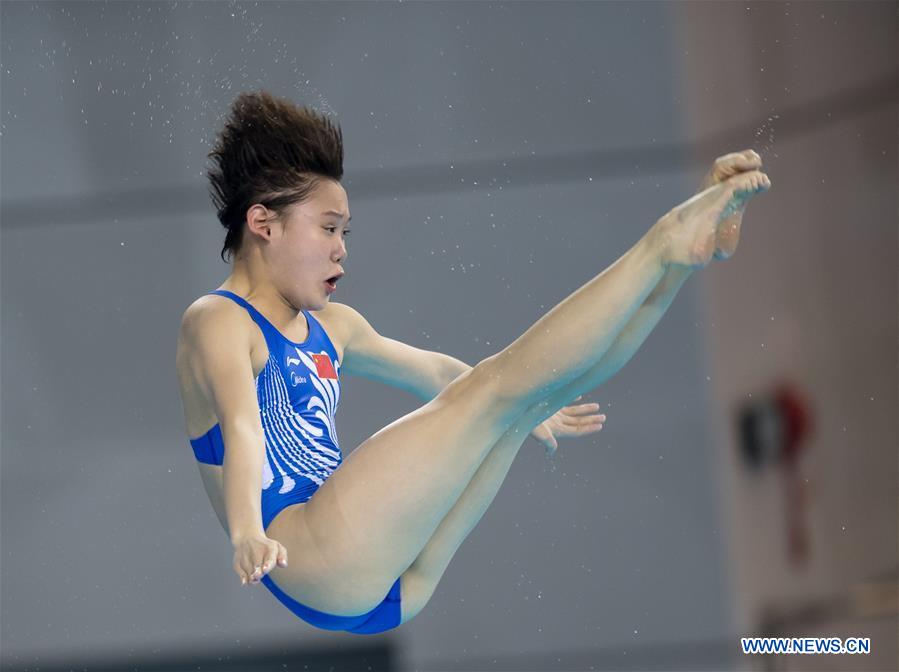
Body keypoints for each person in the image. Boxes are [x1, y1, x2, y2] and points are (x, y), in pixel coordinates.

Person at [175, 90, 770, 634]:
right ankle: (662, 239)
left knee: (527, 397)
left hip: (386, 583)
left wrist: (533, 402)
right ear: (262, 224)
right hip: (311, 551)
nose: (341, 250)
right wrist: (246, 531)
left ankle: (681, 263)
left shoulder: (335, 327)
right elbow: (243, 425)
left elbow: (436, 373)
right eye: (329, 228)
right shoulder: (217, 320)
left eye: (346, 232)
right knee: (495, 387)